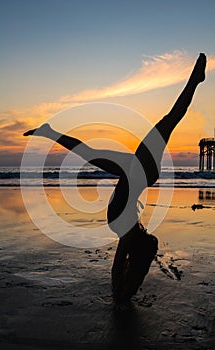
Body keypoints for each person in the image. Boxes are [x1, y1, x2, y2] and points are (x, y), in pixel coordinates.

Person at [23, 53, 206, 309]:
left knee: (168, 120)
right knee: (169, 120)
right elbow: (119, 262)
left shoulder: (128, 232)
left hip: (138, 172)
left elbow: (118, 263)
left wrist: (118, 295)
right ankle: (195, 81)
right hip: (137, 173)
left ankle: (195, 80)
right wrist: (120, 292)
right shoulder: (128, 229)